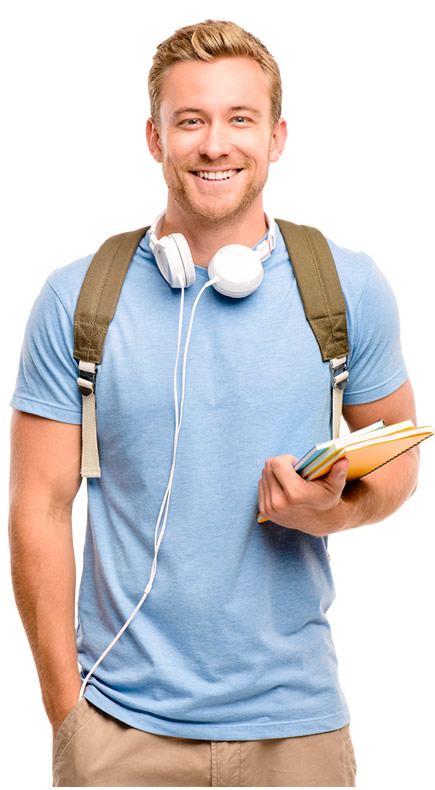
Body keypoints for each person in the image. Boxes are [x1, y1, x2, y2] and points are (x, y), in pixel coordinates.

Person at [9, 19, 419, 788]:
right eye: (189, 121)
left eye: (239, 119)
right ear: (153, 138)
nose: (214, 144)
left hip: (296, 730)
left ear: (276, 136)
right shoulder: (75, 299)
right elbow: (37, 504)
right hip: (117, 730)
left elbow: (398, 465)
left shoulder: (347, 287)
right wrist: (68, 713)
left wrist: (331, 512)